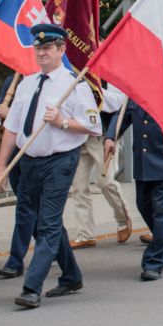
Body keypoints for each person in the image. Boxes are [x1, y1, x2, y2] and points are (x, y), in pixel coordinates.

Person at [0, 24, 101, 309]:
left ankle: (32, 288)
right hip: (29, 162)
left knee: (49, 223)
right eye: (38, 48)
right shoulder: (26, 83)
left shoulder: (74, 84)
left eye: (48, 48)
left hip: (60, 161)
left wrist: (62, 122)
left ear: (61, 49)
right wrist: (1, 166)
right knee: (40, 221)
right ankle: (71, 275)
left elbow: (93, 125)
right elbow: (12, 129)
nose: (42, 52)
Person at [104, 94, 163, 280]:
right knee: (143, 205)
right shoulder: (136, 93)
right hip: (143, 163)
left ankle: (154, 261)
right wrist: (110, 137)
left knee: (161, 212)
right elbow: (122, 115)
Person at [70, 79, 134, 250]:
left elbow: (119, 102)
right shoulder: (71, 73)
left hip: (103, 136)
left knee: (105, 181)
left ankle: (123, 219)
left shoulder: (107, 75)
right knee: (78, 186)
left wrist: (92, 91)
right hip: (78, 135)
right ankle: (85, 234)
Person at [0, 74, 34, 280]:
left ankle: (15, 260)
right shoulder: (13, 81)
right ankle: (54, 246)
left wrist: (10, 114)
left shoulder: (49, 81)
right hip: (15, 151)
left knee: (25, 207)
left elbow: (39, 119)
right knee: (33, 207)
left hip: (36, 153)